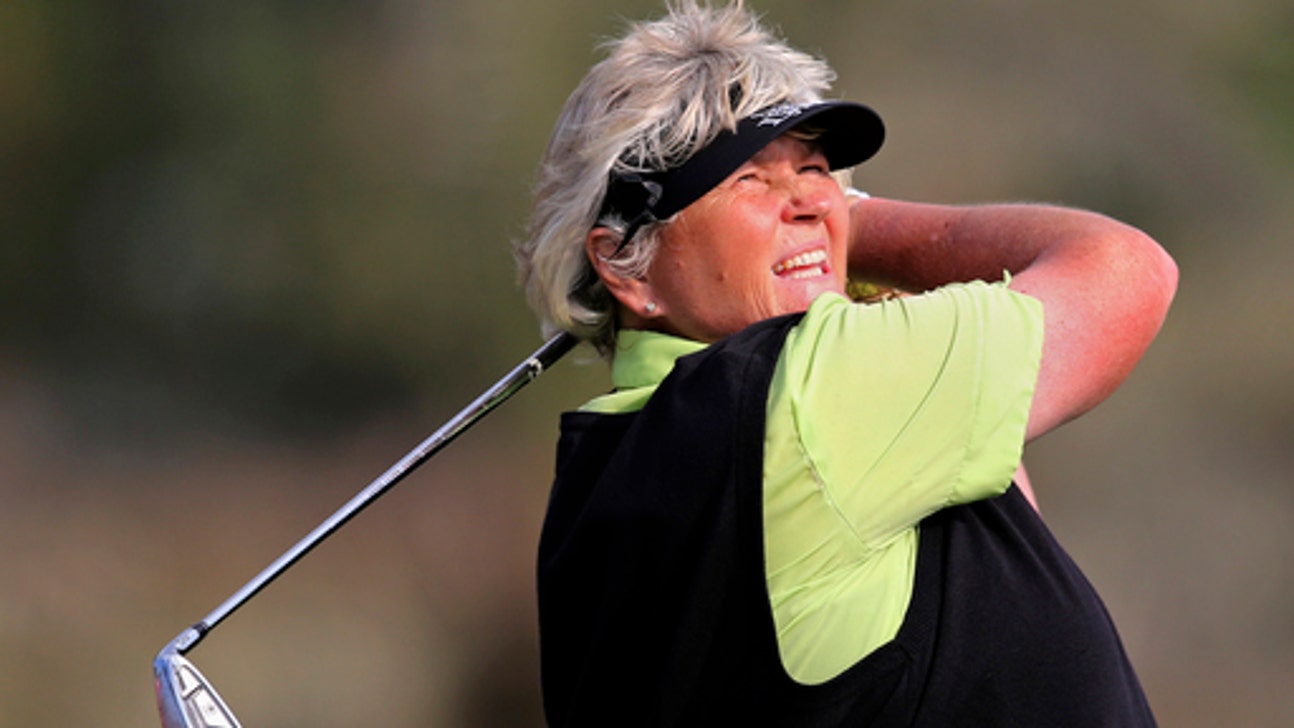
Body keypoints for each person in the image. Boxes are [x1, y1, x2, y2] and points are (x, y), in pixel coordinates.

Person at [514, 1, 1177, 725]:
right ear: (625, 267)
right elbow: (1127, 274)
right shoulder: (804, 393)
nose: (810, 201)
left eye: (817, 168)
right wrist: (862, 226)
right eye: (747, 179)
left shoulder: (596, 495)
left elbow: (1003, 495)